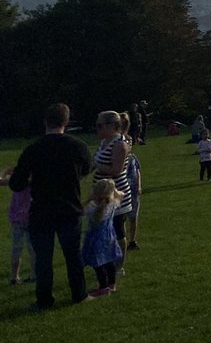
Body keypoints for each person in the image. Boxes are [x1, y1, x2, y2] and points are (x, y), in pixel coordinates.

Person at [8, 103, 93, 309]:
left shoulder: (33, 149)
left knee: (43, 259)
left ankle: (44, 300)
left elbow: (16, 184)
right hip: (69, 207)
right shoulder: (78, 146)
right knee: (73, 256)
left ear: (45, 121)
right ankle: (79, 294)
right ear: (66, 122)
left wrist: (32, 179)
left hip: (42, 210)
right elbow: (86, 170)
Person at [93, 110, 133, 273]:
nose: (97, 129)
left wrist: (97, 165)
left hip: (117, 196)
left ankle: (118, 266)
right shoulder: (104, 142)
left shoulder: (119, 144)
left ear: (112, 126)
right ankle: (106, 261)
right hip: (102, 195)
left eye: (100, 125)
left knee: (117, 231)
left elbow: (116, 170)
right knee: (103, 230)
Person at [80, 178, 122, 297]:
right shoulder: (113, 203)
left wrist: (89, 199)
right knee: (109, 261)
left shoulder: (92, 208)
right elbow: (121, 194)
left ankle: (103, 287)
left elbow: (80, 210)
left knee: (98, 264)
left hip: (96, 238)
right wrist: (114, 189)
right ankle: (112, 284)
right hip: (109, 237)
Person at [3, 165, 34, 284]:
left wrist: (5, 171)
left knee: (16, 249)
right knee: (32, 249)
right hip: (30, 218)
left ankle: (14, 276)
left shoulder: (16, 183)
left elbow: (0, 180)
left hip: (16, 219)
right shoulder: (33, 182)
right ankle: (34, 274)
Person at [125, 149, 142, 251]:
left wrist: (139, 186)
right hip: (123, 191)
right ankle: (122, 240)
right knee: (122, 218)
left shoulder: (133, 158)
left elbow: (138, 172)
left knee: (133, 217)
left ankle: (132, 240)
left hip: (133, 191)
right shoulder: (118, 158)